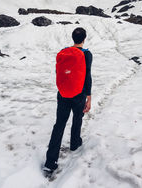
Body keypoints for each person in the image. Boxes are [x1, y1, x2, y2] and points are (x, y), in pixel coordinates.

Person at [44, 27, 93, 174]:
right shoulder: (87, 54)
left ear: (73, 38)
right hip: (79, 94)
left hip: (63, 93)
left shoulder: (63, 52)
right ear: (84, 39)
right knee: (77, 118)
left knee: (59, 124)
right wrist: (88, 97)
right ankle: (74, 143)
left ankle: (50, 161)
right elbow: (87, 76)